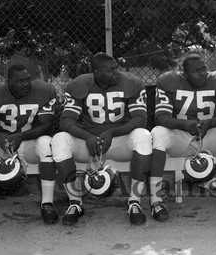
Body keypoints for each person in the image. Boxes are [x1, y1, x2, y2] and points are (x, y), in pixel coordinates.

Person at [51, 52, 152, 225]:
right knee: (60, 139)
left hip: (119, 141)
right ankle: (75, 203)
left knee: (143, 136)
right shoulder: (80, 84)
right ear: (97, 72)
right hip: (90, 144)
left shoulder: (132, 82)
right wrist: (87, 136)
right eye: (111, 69)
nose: (116, 72)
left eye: (116, 68)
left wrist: (113, 132)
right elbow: (66, 120)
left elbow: (140, 118)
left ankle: (134, 202)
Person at [149, 50, 216, 221]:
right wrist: (184, 124)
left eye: (204, 69)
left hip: (209, 137)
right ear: (184, 74)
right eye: (196, 71)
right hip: (182, 139)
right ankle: (155, 201)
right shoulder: (168, 81)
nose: (202, 73)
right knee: (158, 133)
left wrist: (211, 122)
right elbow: (161, 117)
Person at [0, 64, 58, 226]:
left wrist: (22, 136)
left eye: (28, 79)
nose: (26, 84)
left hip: (30, 144)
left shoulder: (44, 91)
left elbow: (47, 126)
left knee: (47, 143)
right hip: (4, 147)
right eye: (20, 81)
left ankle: (47, 204)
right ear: (8, 82)